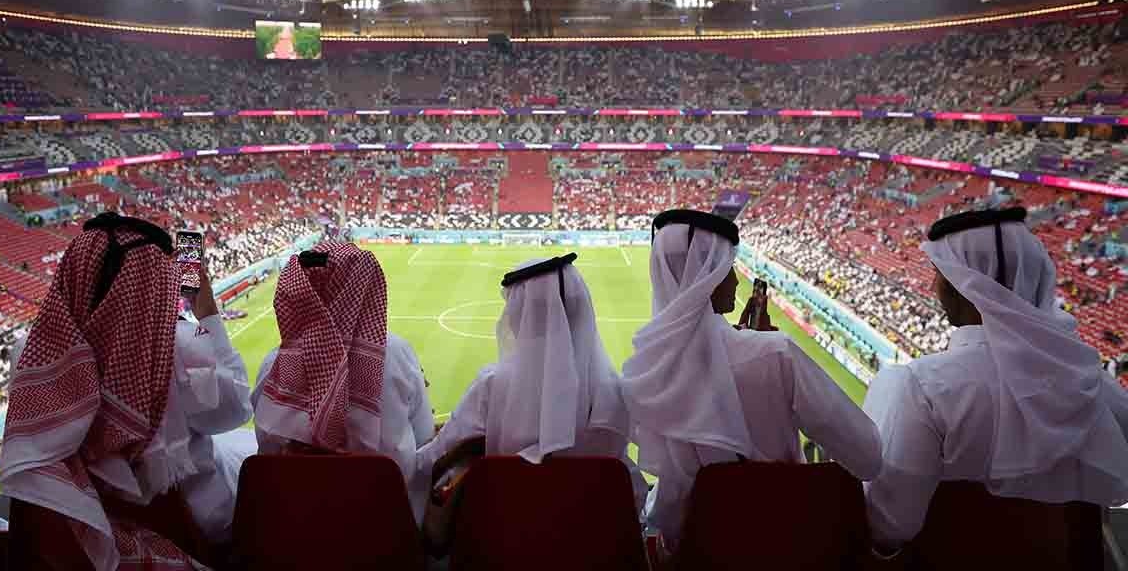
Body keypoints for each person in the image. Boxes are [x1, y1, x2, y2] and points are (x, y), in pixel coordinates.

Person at [863, 207, 1128, 555]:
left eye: (938, 274)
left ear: (966, 284)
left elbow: (888, 526)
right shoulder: (1101, 389)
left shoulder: (919, 387)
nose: (932, 286)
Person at [0, 212, 252, 570]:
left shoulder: (32, 355)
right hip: (190, 527)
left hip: (80, 524)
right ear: (159, 283)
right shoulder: (183, 346)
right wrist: (205, 309)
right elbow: (237, 408)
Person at [621, 209, 882, 552]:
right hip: (785, 545)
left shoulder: (643, 371)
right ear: (707, 277)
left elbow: (669, 509)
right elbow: (867, 456)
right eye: (727, 269)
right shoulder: (776, 355)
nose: (734, 281)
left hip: (699, 556)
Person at [417, 254, 647, 507]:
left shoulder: (492, 387)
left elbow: (434, 461)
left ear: (518, 315)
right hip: (594, 535)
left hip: (505, 531)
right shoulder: (616, 392)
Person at [252, 242, 433, 517]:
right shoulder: (396, 354)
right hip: (386, 523)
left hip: (297, 525)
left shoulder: (274, 364)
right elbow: (424, 438)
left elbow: (267, 451)